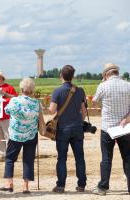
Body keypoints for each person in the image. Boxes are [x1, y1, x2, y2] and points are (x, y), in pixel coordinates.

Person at [0, 78, 45, 193]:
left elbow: (7, 111)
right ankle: (25, 186)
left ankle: (9, 184)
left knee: (10, 159)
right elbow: (40, 117)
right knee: (28, 160)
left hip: (15, 135)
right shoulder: (37, 103)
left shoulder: (15, 101)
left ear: (21, 88)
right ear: (33, 89)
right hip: (31, 134)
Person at [92, 63, 130, 195]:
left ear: (106, 74)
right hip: (124, 127)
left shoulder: (103, 85)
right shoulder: (128, 85)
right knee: (128, 157)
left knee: (107, 158)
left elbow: (94, 101)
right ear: (117, 72)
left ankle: (103, 187)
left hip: (108, 127)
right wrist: (126, 119)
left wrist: (102, 82)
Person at [48, 65, 87, 193]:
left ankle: (60, 186)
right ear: (73, 76)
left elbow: (52, 110)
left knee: (62, 158)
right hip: (77, 127)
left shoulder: (57, 91)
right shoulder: (80, 90)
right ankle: (81, 185)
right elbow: (84, 111)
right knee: (79, 158)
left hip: (63, 128)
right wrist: (80, 122)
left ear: (61, 76)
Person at [0, 69, 17, 162]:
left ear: (1, 77)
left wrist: (5, 94)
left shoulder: (9, 87)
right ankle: (2, 154)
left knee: (8, 136)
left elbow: (16, 99)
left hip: (7, 116)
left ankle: (11, 155)